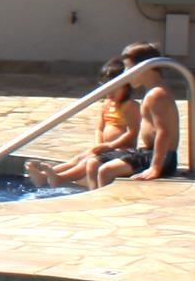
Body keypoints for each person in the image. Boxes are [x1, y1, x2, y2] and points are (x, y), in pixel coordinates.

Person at [30, 59, 135, 187]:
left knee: (85, 162)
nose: (110, 92)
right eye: (106, 87)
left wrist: (110, 145)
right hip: (104, 147)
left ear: (127, 85)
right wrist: (99, 144)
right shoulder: (106, 105)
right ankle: (44, 176)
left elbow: (132, 133)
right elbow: (99, 128)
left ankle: (60, 178)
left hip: (121, 149)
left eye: (115, 87)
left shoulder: (130, 106)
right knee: (78, 158)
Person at [98, 42, 181, 184]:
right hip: (148, 153)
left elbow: (164, 133)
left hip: (163, 158)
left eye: (128, 68)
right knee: (93, 161)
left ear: (144, 68)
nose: (125, 74)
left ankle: (109, 203)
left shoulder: (157, 94)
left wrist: (155, 167)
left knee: (106, 170)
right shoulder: (152, 92)